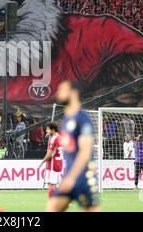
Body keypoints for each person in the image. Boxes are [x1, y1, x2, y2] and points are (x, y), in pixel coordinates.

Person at [46, 80, 100, 212]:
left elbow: (85, 152)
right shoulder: (66, 119)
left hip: (84, 179)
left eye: (62, 90)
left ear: (73, 93)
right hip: (70, 177)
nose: (58, 93)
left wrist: (71, 178)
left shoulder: (83, 119)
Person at [38, 123, 63, 198]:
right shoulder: (59, 137)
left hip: (53, 162)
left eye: (48, 129)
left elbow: (49, 154)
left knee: (50, 183)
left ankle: (53, 202)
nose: (46, 131)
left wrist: (41, 163)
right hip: (59, 161)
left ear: (52, 129)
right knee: (54, 183)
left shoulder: (54, 139)